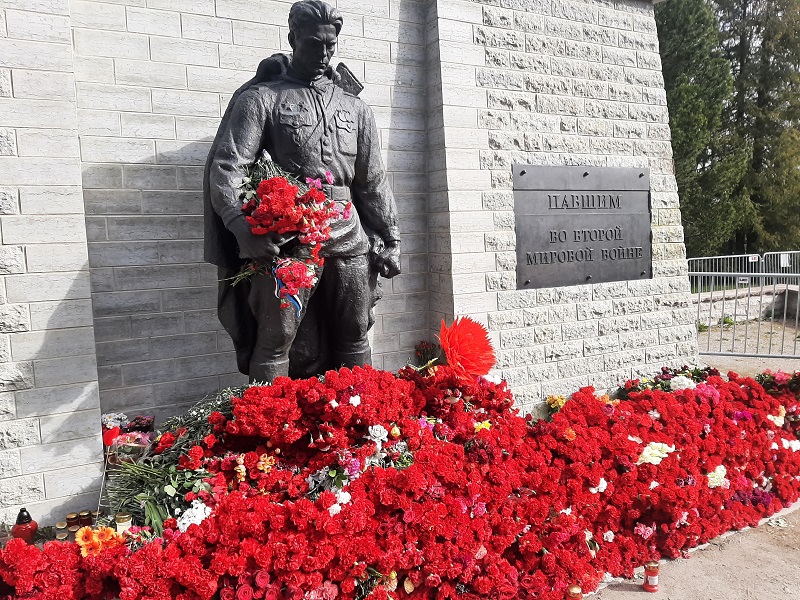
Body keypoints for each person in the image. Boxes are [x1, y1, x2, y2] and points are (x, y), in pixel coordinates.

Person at [203, 0, 401, 383]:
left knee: (355, 331)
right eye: (313, 43)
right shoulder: (262, 99)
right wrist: (242, 229)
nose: (324, 53)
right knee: (277, 338)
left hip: (349, 234)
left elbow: (373, 180)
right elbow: (228, 168)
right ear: (293, 38)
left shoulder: (356, 109)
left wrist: (391, 237)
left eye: (330, 45)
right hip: (289, 236)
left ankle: (360, 418)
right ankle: (266, 425)